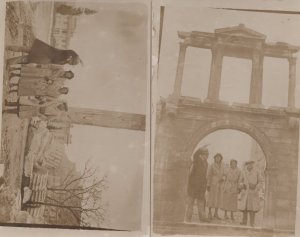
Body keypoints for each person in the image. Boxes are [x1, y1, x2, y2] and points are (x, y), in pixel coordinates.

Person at [6, 38, 81, 66]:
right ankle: (8, 60)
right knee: (24, 55)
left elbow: (54, 61)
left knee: (24, 53)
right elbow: (55, 59)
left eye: (71, 64)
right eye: (72, 63)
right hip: (43, 54)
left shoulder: (64, 60)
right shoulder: (66, 56)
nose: (70, 64)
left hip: (43, 54)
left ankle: (8, 59)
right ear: (72, 58)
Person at [185, 146, 210, 223]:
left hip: (201, 187)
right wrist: (199, 149)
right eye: (205, 154)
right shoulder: (196, 161)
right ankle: (188, 218)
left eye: (207, 154)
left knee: (201, 203)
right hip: (193, 186)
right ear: (201, 155)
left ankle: (202, 218)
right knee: (190, 203)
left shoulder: (206, 163)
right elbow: (190, 174)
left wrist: (205, 185)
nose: (207, 156)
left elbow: (205, 175)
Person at [238, 160, 263, 227]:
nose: (250, 165)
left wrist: (256, 187)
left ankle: (252, 222)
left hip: (253, 192)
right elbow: (240, 181)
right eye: (248, 164)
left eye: (251, 164)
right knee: (245, 207)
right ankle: (244, 221)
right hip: (245, 192)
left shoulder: (257, 172)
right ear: (247, 165)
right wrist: (242, 185)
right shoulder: (243, 172)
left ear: (253, 165)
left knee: (252, 208)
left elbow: (260, 181)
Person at [3, 97, 68, 121]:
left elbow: (47, 119)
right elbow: (47, 98)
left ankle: (6, 111)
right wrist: (42, 99)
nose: (61, 106)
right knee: (22, 103)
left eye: (63, 107)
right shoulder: (55, 102)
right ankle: (8, 104)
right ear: (62, 103)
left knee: (20, 111)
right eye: (62, 105)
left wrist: (40, 115)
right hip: (37, 104)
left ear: (63, 110)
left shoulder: (56, 114)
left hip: (37, 112)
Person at [206, 153, 225, 220]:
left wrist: (223, 178)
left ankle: (216, 213)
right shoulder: (212, 165)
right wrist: (208, 184)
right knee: (211, 198)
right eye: (216, 157)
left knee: (218, 199)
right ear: (214, 158)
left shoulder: (223, 166)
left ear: (221, 159)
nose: (218, 159)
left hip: (220, 185)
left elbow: (225, 174)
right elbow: (209, 175)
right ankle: (209, 213)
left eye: (219, 158)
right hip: (213, 184)